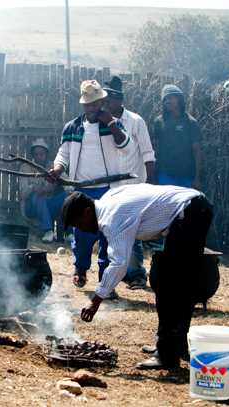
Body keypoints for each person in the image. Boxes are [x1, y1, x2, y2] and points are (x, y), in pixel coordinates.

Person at [61, 184, 213, 370]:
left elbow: (119, 264)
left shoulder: (112, 218)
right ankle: (175, 345)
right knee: (178, 280)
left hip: (189, 211)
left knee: (167, 281)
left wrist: (96, 300)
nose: (82, 230)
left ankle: (167, 355)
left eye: (79, 225)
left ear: (87, 212)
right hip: (193, 206)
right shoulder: (108, 200)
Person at [49, 80, 135, 296]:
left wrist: (112, 125)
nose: (92, 108)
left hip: (109, 190)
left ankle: (107, 281)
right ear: (83, 105)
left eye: (96, 104)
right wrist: (58, 169)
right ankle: (80, 271)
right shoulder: (72, 127)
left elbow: (127, 148)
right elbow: (64, 154)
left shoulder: (113, 124)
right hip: (82, 192)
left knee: (109, 237)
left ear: (102, 102)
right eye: (88, 104)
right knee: (83, 235)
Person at [103, 76, 155, 289]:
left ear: (118, 100)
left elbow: (148, 153)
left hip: (133, 186)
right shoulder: (100, 122)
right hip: (110, 186)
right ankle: (117, 272)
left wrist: (149, 182)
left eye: (108, 100)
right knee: (111, 232)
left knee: (132, 231)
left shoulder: (135, 121)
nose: (105, 104)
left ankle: (136, 275)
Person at [153, 85, 203, 190]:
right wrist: (147, 163)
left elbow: (196, 151)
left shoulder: (190, 122)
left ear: (179, 99)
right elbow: (157, 146)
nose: (167, 101)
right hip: (166, 174)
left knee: (185, 206)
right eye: (164, 99)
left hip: (186, 175)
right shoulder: (159, 122)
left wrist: (197, 178)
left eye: (170, 98)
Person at [19, 138, 69, 243]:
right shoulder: (25, 168)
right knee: (38, 195)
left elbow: (67, 182)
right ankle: (48, 231)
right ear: (32, 155)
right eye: (35, 154)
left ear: (47, 154)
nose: (38, 157)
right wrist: (33, 187)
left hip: (49, 206)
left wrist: (71, 191)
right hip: (32, 208)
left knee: (68, 197)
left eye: (41, 154)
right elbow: (23, 194)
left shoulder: (54, 167)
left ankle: (70, 233)